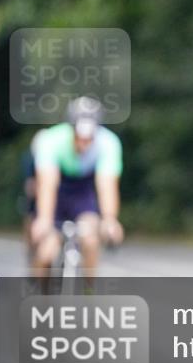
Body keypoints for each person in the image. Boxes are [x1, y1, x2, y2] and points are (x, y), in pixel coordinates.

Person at [29, 96, 124, 282]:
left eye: (89, 139)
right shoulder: (51, 140)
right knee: (46, 252)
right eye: (79, 138)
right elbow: (48, 185)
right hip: (57, 194)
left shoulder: (108, 143)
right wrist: (44, 220)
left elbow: (106, 186)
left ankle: (89, 294)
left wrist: (110, 219)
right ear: (71, 129)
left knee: (90, 239)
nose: (83, 144)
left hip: (83, 194)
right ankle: (41, 298)